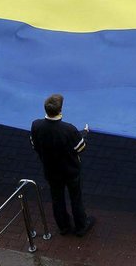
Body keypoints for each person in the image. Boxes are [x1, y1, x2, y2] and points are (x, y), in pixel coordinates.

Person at [30, 94, 92, 236]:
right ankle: (81, 226)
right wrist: (84, 134)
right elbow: (80, 147)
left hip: (51, 170)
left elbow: (34, 144)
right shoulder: (68, 129)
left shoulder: (36, 125)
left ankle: (63, 227)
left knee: (57, 198)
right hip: (70, 171)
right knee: (76, 198)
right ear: (60, 110)